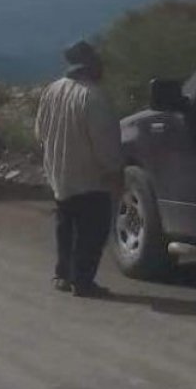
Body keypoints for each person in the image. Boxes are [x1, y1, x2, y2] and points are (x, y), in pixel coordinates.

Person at [35, 40, 123, 298]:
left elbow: (40, 132)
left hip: (60, 175)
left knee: (66, 227)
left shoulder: (52, 90)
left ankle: (63, 274)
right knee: (91, 232)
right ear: (90, 66)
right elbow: (104, 142)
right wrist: (115, 170)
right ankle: (82, 281)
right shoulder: (94, 96)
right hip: (90, 177)